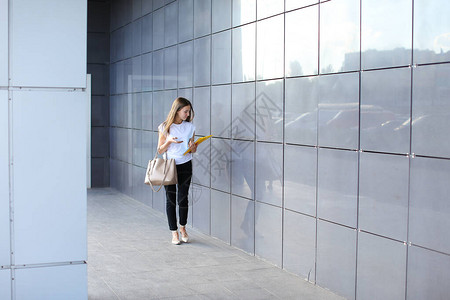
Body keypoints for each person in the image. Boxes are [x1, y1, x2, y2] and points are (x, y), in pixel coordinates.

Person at [157, 97, 197, 245]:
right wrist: (169, 141)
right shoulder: (164, 127)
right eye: (185, 111)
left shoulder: (190, 127)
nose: (187, 114)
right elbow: (160, 150)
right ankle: (174, 232)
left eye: (188, 111)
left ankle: (183, 228)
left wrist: (193, 147)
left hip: (186, 164)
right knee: (171, 200)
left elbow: (192, 148)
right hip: (169, 165)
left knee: (183, 198)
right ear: (177, 110)